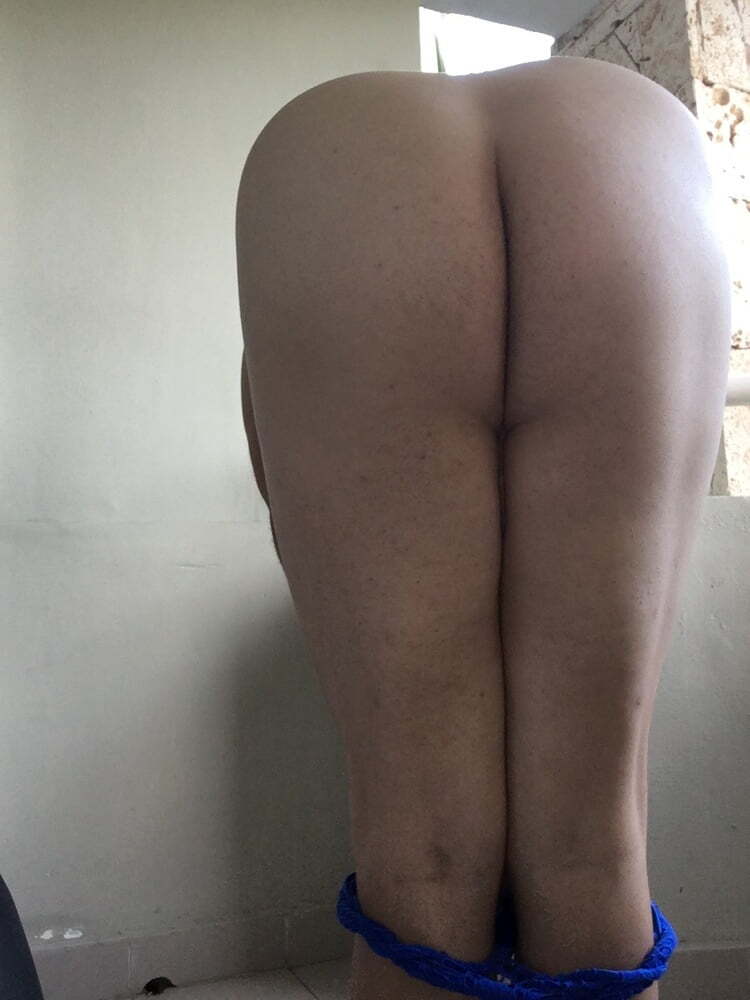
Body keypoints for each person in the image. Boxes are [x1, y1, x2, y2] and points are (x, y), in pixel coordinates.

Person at [236, 56, 731, 999]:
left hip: (335, 162)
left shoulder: (329, 131)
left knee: (420, 866)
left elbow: (272, 463)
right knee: (591, 854)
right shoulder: (634, 110)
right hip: (628, 144)